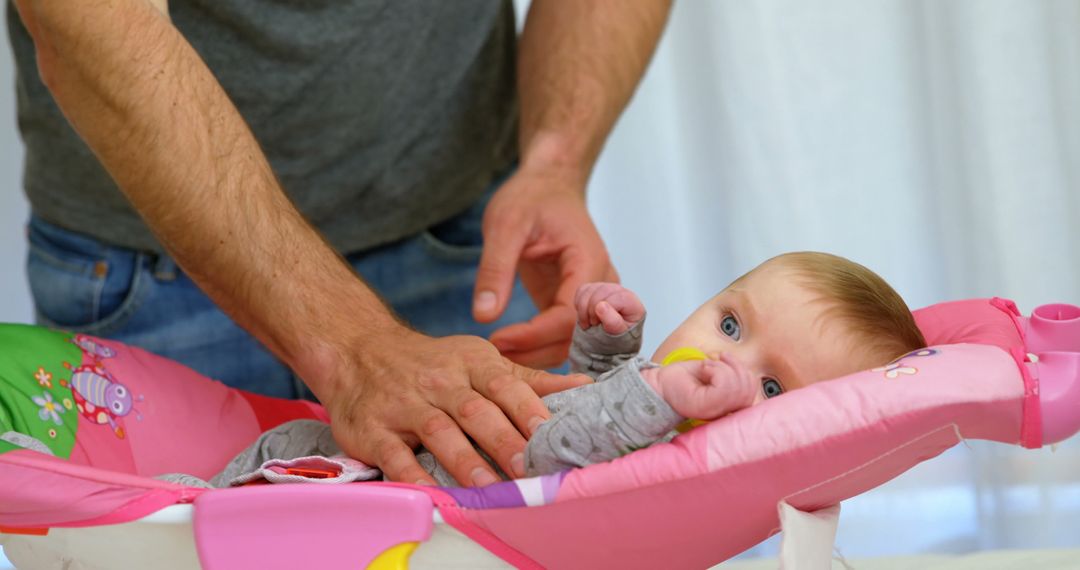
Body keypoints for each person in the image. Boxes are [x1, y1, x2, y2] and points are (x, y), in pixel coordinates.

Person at [7, 1, 672, 486]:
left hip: (462, 239)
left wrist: (557, 159)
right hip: (148, 272)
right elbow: (87, 22)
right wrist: (352, 344)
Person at [171, 251, 927, 487]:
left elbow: (565, 447)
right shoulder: (651, 411)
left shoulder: (678, 461)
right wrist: (606, 344)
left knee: (281, 464)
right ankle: (185, 507)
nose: (724, 359)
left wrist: (657, 391)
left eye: (771, 386)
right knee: (285, 449)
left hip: (400, 489)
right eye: (730, 322)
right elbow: (584, 408)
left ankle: (180, 513)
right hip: (403, 455)